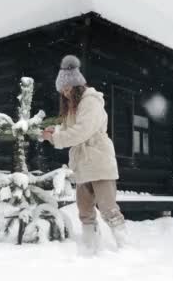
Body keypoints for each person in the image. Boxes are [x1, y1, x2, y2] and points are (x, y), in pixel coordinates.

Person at [42, 55, 129, 251]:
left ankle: (125, 248)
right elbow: (65, 128)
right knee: (84, 210)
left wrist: (55, 138)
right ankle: (90, 248)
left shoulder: (91, 102)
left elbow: (82, 131)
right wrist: (51, 132)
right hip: (82, 164)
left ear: (76, 86)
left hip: (98, 160)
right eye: (62, 91)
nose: (64, 94)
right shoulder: (73, 108)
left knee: (108, 208)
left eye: (67, 89)